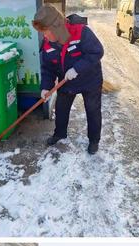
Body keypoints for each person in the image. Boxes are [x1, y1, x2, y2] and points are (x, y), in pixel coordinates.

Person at [32, 5, 104, 155]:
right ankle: (59, 133)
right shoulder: (47, 45)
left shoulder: (81, 32)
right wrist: (45, 87)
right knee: (61, 109)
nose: (45, 36)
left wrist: (77, 68)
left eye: (46, 32)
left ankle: (94, 140)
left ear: (56, 26)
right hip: (67, 82)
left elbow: (97, 52)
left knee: (92, 110)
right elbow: (48, 68)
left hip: (90, 80)